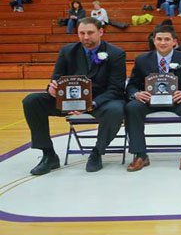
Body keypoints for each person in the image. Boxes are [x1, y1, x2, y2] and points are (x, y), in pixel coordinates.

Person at [22, 17, 126, 175]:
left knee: (116, 110)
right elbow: (56, 78)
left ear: (101, 32)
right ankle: (49, 155)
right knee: (32, 101)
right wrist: (52, 88)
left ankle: (97, 153)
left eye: (90, 33)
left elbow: (116, 89)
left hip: (100, 101)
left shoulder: (116, 54)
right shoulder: (67, 51)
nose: (85, 37)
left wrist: (92, 103)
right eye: (81, 33)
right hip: (70, 100)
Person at [125, 24, 181, 172]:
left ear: (174, 41)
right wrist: (136, 94)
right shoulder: (142, 60)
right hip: (150, 101)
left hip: (177, 101)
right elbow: (132, 85)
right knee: (132, 107)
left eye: (167, 39)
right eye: (159, 39)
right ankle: (140, 155)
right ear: (154, 41)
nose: (163, 43)